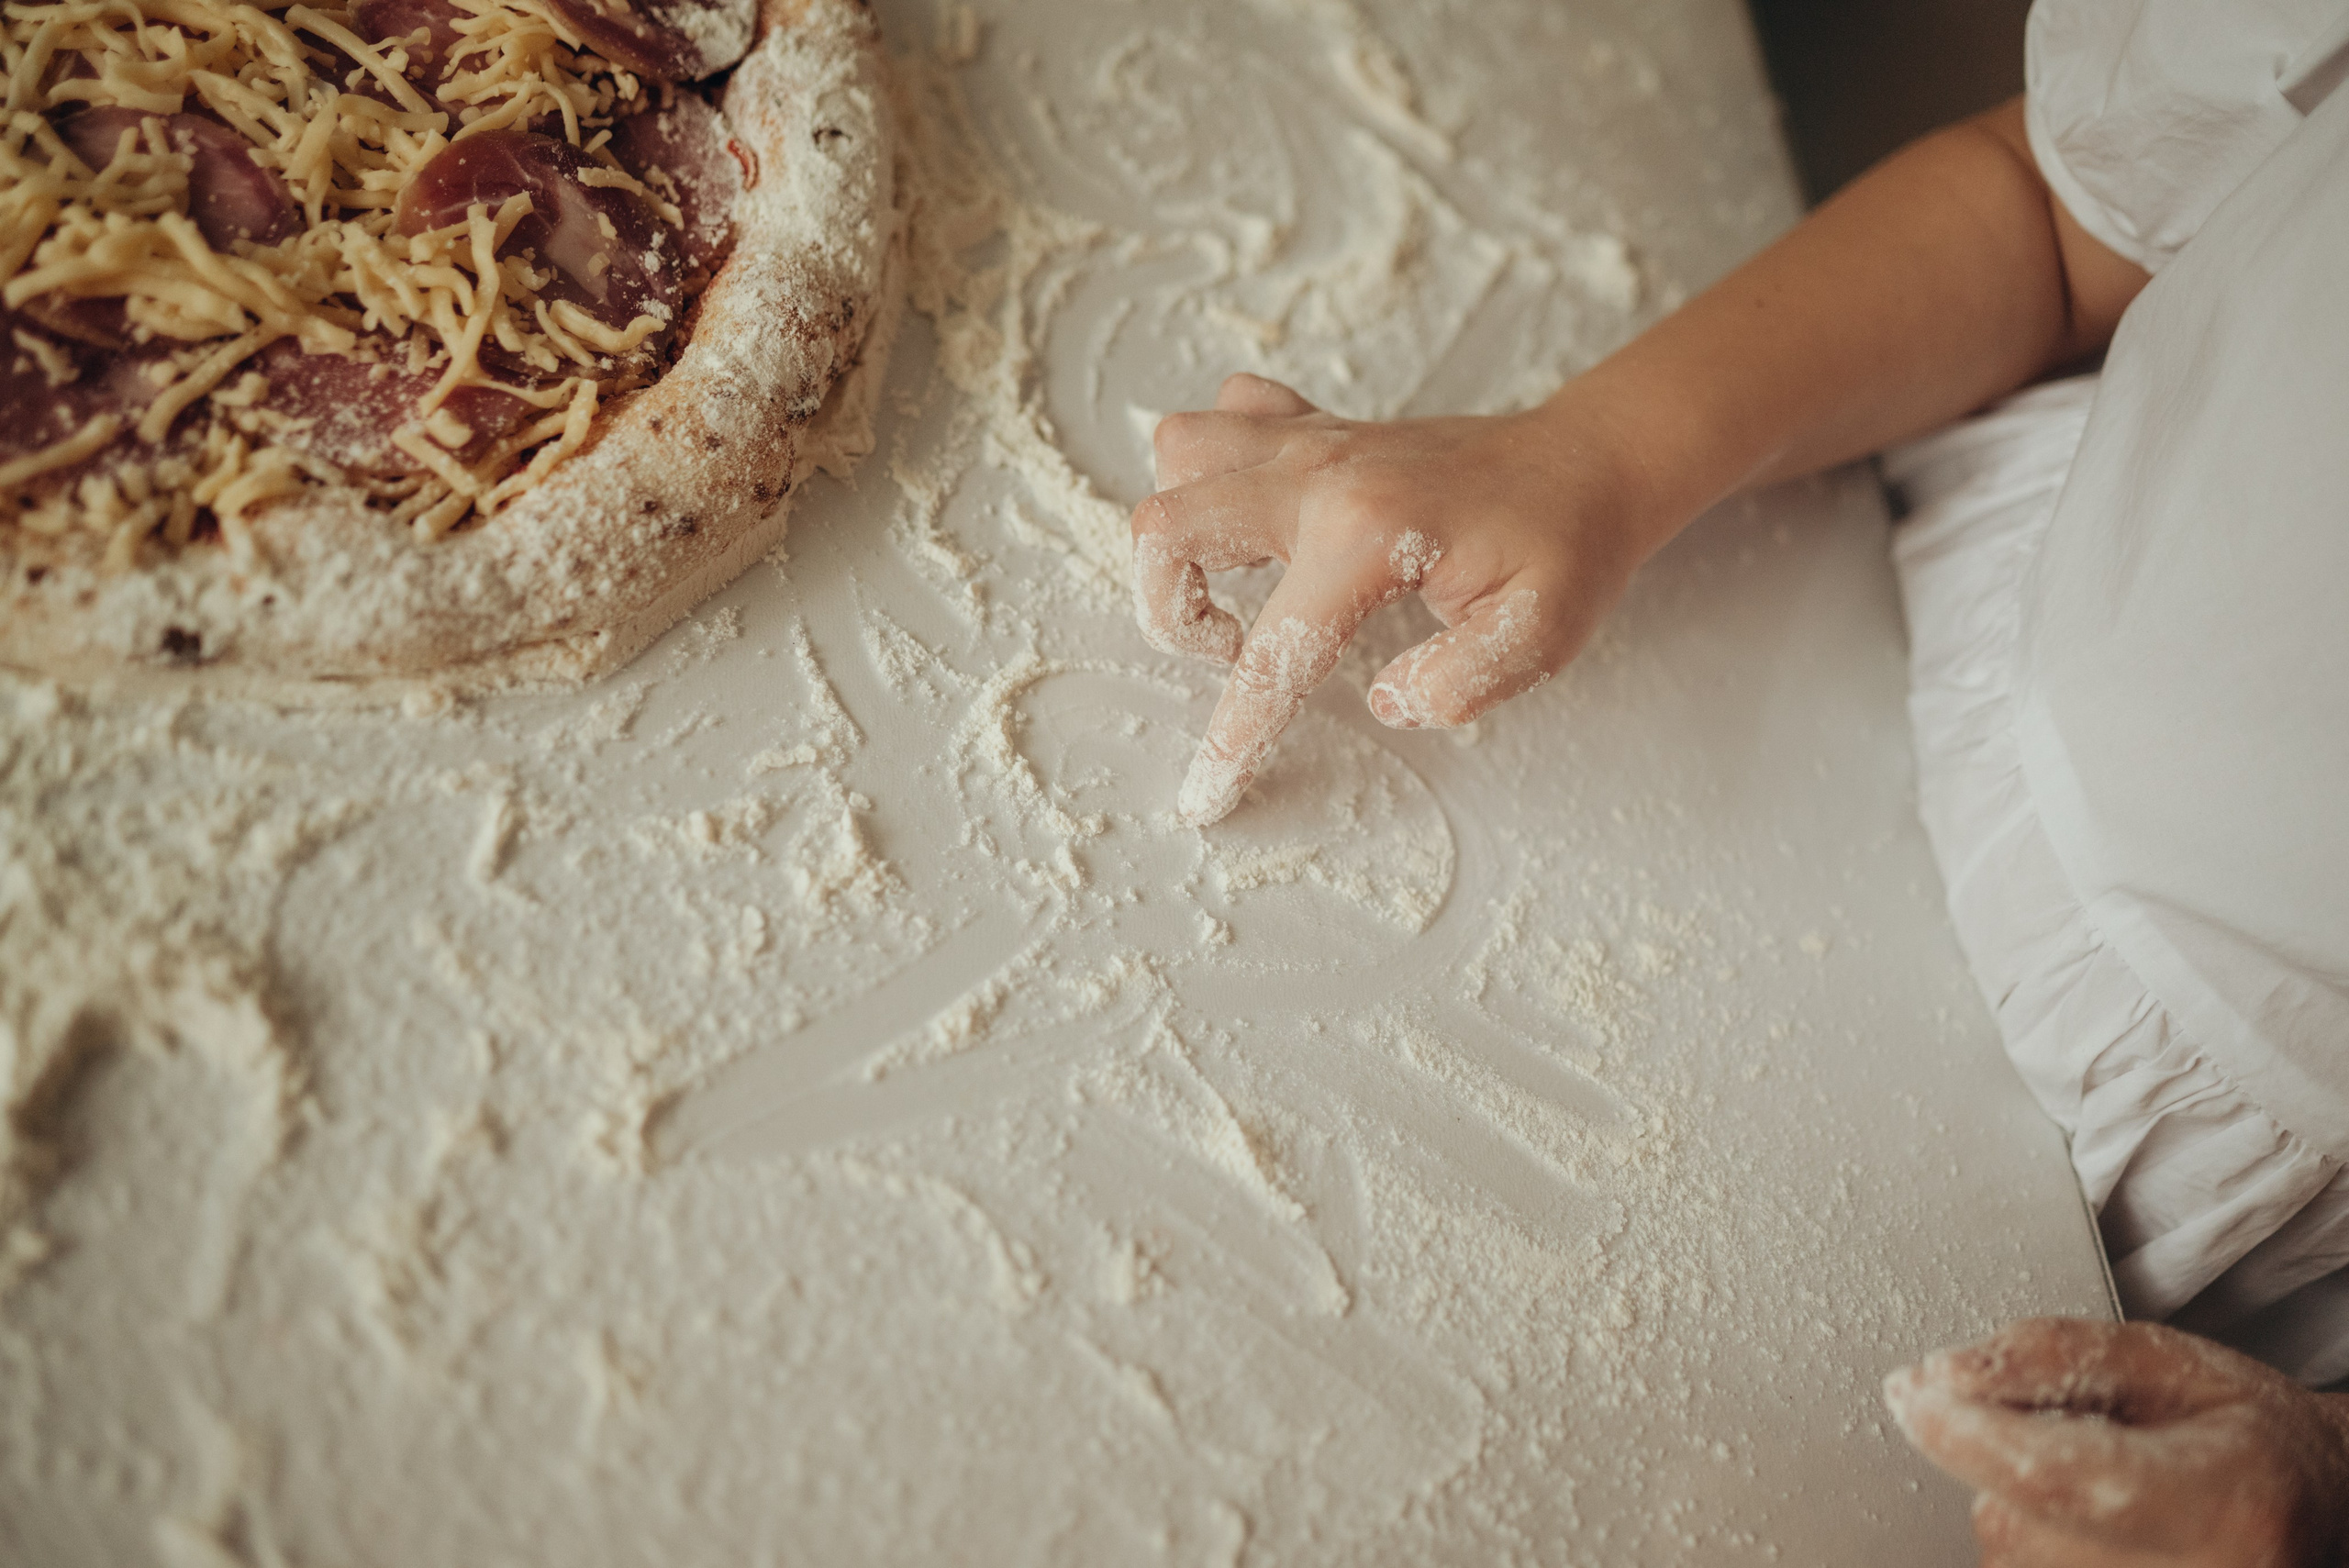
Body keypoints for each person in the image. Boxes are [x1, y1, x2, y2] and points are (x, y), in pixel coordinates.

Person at [1127, 0, 2349, 1560]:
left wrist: (2326, 1468)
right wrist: (1594, 453)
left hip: (2206, 1208)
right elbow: (2063, 221)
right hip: (1953, 586)